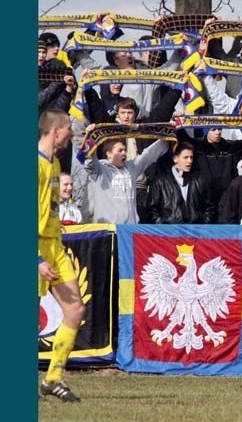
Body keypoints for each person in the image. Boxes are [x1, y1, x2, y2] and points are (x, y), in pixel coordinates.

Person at [38, 109, 84, 402]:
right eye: (69, 128)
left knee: (75, 310)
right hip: (37, 247)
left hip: (55, 245)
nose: (72, 133)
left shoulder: (54, 163)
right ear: (55, 131)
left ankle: (53, 378)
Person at [83, 127, 170, 224]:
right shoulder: (99, 170)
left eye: (125, 150)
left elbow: (149, 155)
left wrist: (169, 133)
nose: (124, 153)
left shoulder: (131, 168)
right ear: (109, 154)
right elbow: (88, 161)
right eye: (120, 151)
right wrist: (89, 138)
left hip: (129, 229)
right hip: (108, 231)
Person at [145, 142, 215, 224]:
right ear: (175, 159)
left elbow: (209, 208)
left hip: (194, 231)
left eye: (191, 157)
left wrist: (202, 226)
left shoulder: (200, 180)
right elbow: (152, 210)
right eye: (185, 157)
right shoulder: (160, 181)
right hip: (170, 232)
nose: (189, 161)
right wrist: (163, 228)